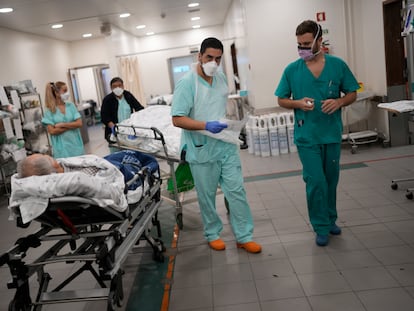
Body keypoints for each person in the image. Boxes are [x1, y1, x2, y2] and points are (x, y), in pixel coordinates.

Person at [171, 37, 261, 253]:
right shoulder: (187, 83)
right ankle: (212, 233)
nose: (213, 62)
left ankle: (244, 235)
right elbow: (177, 118)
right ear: (199, 56)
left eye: (218, 59)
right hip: (201, 148)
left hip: (225, 144)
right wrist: (205, 125)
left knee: (237, 191)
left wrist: (226, 124)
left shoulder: (220, 78)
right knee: (207, 196)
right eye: (209, 57)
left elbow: (216, 106)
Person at [275, 20, 360, 246]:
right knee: (315, 181)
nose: (302, 49)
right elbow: (281, 99)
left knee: (331, 180)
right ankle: (320, 225)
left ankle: (331, 219)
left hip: (331, 134)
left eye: (306, 44)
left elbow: (353, 92)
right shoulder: (292, 70)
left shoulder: (337, 65)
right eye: (299, 45)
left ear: (319, 41)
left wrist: (340, 101)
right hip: (307, 136)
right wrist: (298, 103)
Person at [17, 150, 158, 191]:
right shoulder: (79, 178)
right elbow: (110, 172)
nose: (46, 154)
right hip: (118, 167)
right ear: (51, 168)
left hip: (105, 161)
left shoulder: (62, 166)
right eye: (43, 156)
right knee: (144, 161)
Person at [42, 81, 85, 158]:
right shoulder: (49, 111)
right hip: (62, 149)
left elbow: (79, 124)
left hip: (76, 145)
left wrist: (62, 125)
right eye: (65, 91)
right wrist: (72, 125)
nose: (67, 93)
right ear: (56, 93)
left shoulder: (70, 106)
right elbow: (52, 131)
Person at [100, 77, 144, 146]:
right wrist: (113, 127)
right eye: (114, 86)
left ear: (123, 86)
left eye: (119, 85)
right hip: (115, 132)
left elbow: (139, 108)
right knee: (117, 152)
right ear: (111, 88)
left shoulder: (128, 95)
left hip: (129, 130)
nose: (117, 88)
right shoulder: (107, 99)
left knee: (131, 150)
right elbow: (104, 116)